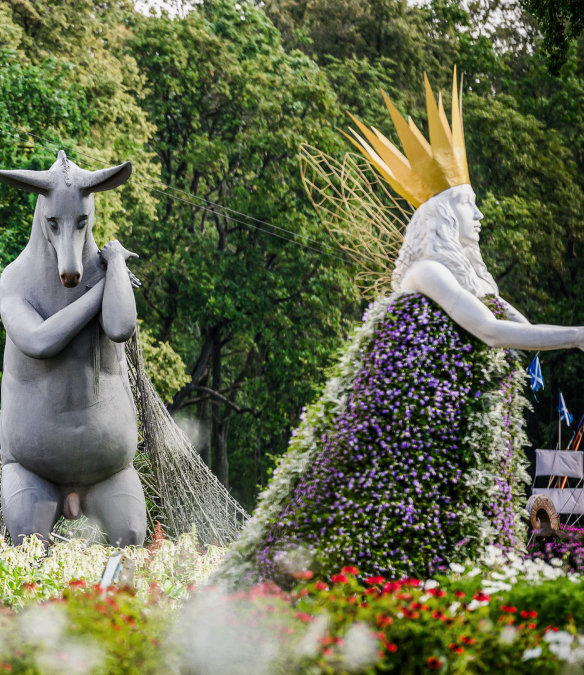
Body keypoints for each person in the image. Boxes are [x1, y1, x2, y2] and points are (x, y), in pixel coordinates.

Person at [219, 72, 584, 585]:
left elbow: (516, 326)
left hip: (456, 438)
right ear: (443, 211)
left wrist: (492, 285)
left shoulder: (464, 273)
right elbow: (492, 332)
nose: (479, 214)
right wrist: (575, 335)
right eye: (468, 203)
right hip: (404, 436)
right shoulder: (428, 272)